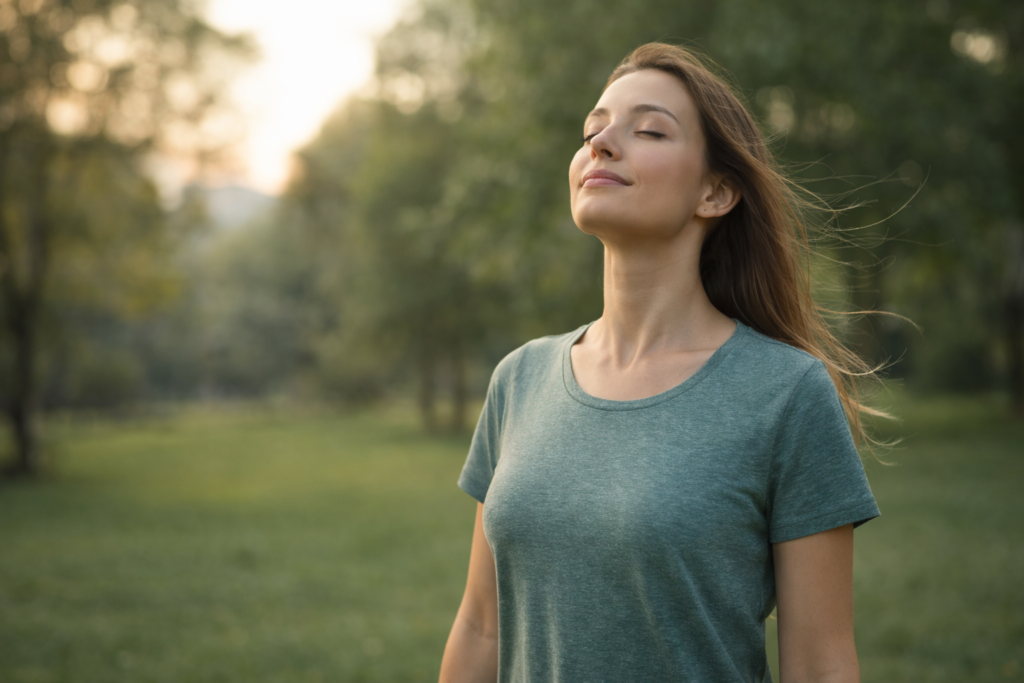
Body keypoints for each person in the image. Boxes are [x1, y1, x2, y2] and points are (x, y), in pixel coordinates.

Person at [439, 42, 881, 683]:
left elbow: (819, 663)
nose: (602, 143)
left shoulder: (786, 393)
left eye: (648, 130)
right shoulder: (520, 378)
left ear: (716, 191)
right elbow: (482, 626)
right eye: (592, 129)